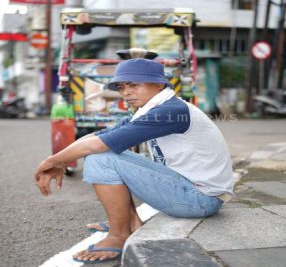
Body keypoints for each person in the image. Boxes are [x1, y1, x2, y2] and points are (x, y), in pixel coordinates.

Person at [34, 58, 233, 264]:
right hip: (190, 191)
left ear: (159, 84)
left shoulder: (171, 111)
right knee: (101, 151)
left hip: (200, 198)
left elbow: (98, 146)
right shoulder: (152, 109)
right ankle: (128, 222)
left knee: (101, 157)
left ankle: (119, 235)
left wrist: (51, 161)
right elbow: (98, 136)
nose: (126, 92)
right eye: (122, 87)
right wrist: (61, 161)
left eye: (134, 85)